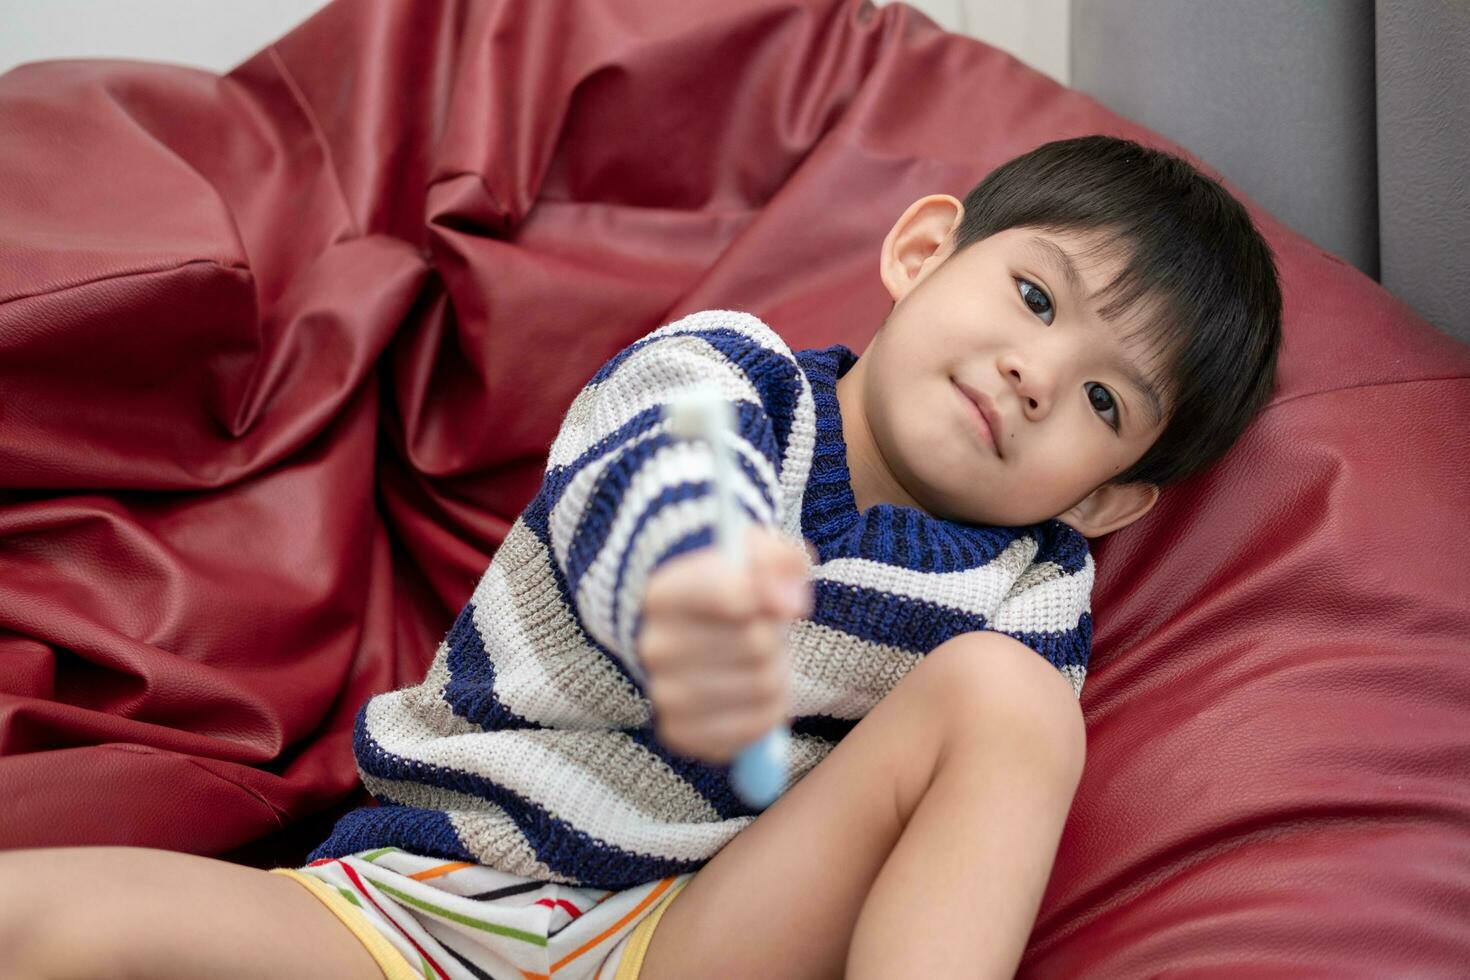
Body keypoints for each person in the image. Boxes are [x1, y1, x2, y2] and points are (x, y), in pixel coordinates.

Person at [0, 135, 1281, 979]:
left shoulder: (1028, 585)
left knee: (1010, 703)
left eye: (1107, 403)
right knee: (50, 918)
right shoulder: (724, 374)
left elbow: (982, 795)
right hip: (420, 902)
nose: (1035, 371)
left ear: (1113, 499)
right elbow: (656, 493)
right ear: (920, 252)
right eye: (1036, 299)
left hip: (689, 943)